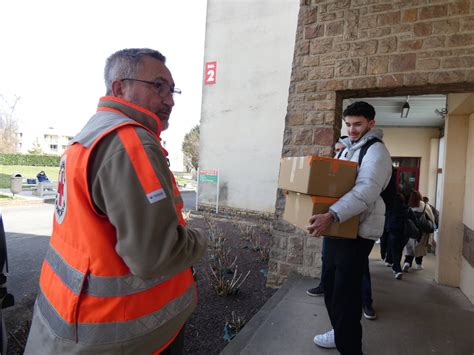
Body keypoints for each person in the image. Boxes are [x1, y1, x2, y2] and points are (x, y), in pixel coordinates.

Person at [25, 48, 208, 354]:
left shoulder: (86, 138)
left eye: (172, 89)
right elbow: (155, 257)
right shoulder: (129, 143)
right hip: (126, 337)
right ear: (120, 87)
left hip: (68, 323)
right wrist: (200, 239)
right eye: (158, 86)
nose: (170, 99)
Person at [307, 101, 392, 354]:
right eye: (348, 124)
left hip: (357, 231)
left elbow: (366, 191)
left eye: (358, 124)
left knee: (346, 294)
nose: (352, 129)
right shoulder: (347, 149)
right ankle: (339, 331)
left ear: (371, 124)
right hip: (340, 228)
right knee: (331, 287)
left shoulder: (376, 152)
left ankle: (351, 348)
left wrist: (331, 215)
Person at [387, 193, 418, 280]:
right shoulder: (408, 210)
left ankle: (398, 270)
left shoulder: (391, 209)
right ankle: (395, 267)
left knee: (394, 252)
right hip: (405, 234)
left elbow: (387, 220)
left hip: (393, 232)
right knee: (399, 250)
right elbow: (414, 221)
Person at [403, 191, 435, 272]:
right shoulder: (425, 206)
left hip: (411, 230)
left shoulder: (409, 206)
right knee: (420, 248)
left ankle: (407, 263)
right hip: (422, 231)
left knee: (409, 248)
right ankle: (418, 264)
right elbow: (431, 218)